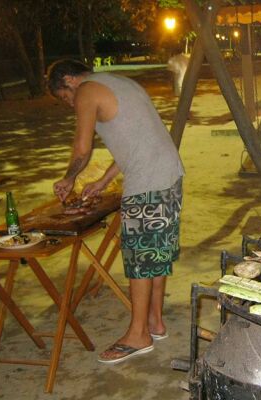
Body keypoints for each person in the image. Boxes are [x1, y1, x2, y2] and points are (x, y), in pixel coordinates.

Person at [47, 59, 184, 365]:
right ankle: (155, 323)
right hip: (169, 174)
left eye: (64, 98)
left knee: (139, 258)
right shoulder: (120, 83)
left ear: (69, 81)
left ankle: (138, 335)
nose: (70, 104)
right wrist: (103, 181)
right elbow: (135, 143)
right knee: (155, 254)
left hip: (148, 182)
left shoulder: (86, 91)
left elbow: (82, 150)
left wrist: (69, 177)